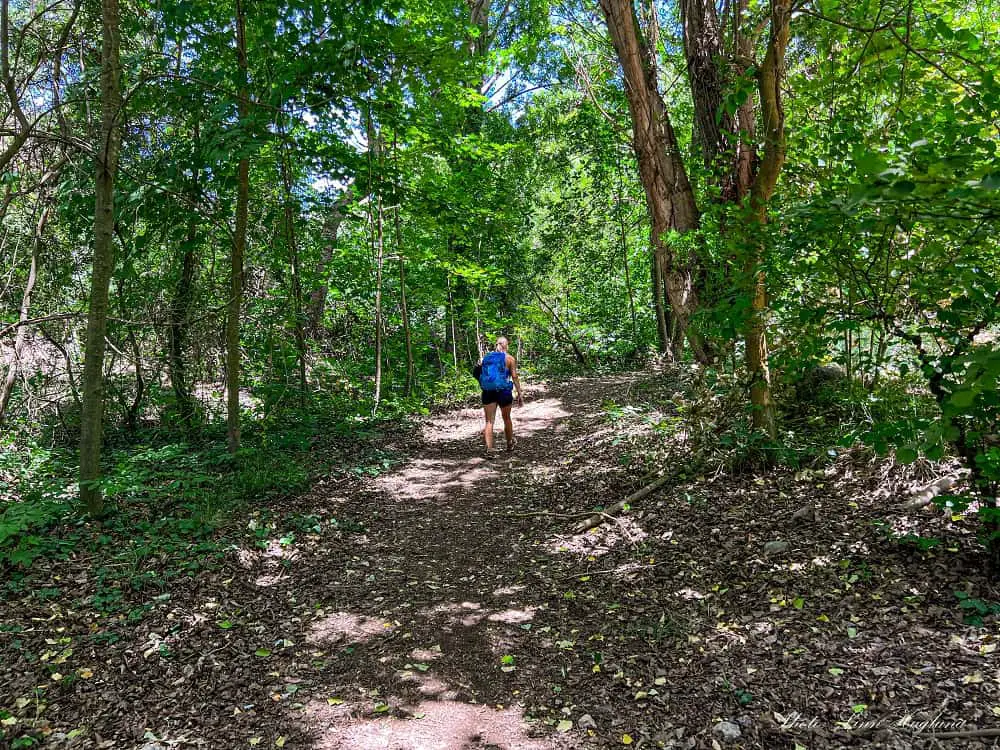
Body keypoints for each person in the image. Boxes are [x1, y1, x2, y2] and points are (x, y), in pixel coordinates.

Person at [478, 336, 523, 457]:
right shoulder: (509, 359)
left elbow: (481, 373)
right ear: (506, 345)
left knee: (489, 421)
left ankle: (490, 449)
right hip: (503, 392)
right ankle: (509, 444)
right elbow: (514, 377)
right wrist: (519, 393)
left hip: (488, 392)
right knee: (506, 418)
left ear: (496, 345)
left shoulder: (486, 358)